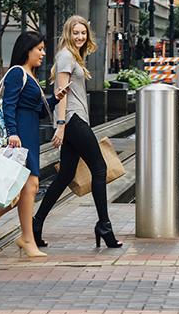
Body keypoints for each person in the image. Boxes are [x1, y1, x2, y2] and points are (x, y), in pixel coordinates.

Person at [32, 16, 122, 249]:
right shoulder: (65, 56)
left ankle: (36, 224)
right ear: (68, 34)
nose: (80, 37)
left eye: (83, 33)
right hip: (72, 120)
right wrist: (61, 125)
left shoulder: (73, 56)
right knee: (99, 168)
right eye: (76, 33)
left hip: (75, 119)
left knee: (65, 175)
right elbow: (61, 93)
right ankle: (104, 225)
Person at [0, 31, 64, 259]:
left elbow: (40, 110)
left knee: (25, 188)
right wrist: (13, 133)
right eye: (40, 49)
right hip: (20, 135)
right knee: (30, 186)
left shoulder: (31, 75)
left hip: (30, 133)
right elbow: (9, 105)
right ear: (28, 49)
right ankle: (26, 238)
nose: (43, 54)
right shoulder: (17, 73)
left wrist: (56, 97)